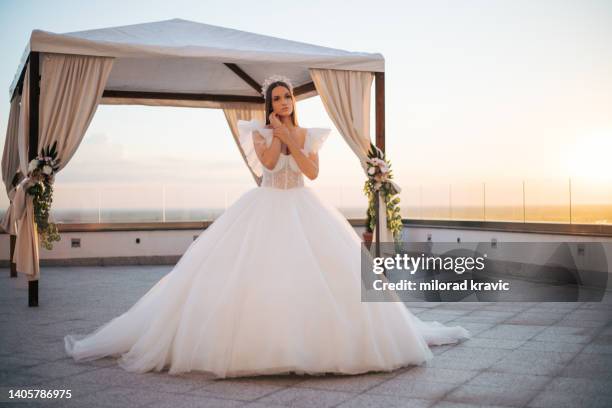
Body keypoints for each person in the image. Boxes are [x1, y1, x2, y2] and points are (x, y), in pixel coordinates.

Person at [64, 74, 470, 379]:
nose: (283, 101)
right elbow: (271, 165)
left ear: (294, 100)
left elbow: (310, 171)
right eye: (276, 98)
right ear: (269, 104)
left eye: (287, 96)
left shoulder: (308, 133)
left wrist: (293, 136)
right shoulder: (258, 133)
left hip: (304, 205)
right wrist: (277, 134)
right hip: (266, 205)